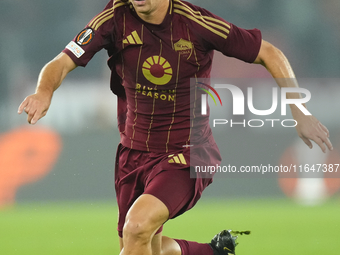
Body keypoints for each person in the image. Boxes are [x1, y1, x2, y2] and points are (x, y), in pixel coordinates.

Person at [18, 0, 333, 255]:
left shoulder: (195, 23)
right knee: (142, 244)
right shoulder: (114, 18)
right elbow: (61, 61)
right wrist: (44, 91)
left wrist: (299, 111)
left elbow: (269, 52)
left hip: (186, 154)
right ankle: (212, 252)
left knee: (136, 228)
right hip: (132, 154)